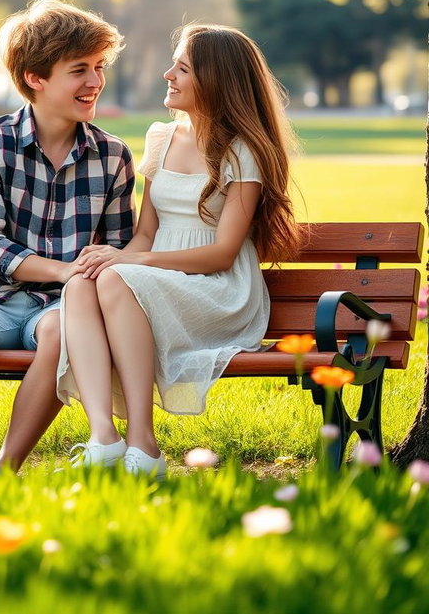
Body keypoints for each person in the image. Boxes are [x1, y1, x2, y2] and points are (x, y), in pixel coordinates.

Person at [56, 23, 303, 477]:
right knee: (80, 284)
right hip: (156, 277)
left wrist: (128, 261)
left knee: (113, 276)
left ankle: (143, 445)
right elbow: (146, 233)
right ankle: (104, 439)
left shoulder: (243, 151)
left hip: (218, 290)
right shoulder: (161, 139)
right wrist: (116, 257)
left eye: (182, 67)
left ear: (215, 80)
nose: (168, 74)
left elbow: (223, 253)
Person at [0, 0, 136, 474]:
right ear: (35, 78)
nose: (95, 82)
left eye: (99, 67)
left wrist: (80, 276)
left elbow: (118, 248)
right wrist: (63, 268)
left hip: (69, 302)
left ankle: (5, 469)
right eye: (79, 70)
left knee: (62, 334)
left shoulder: (113, 156)